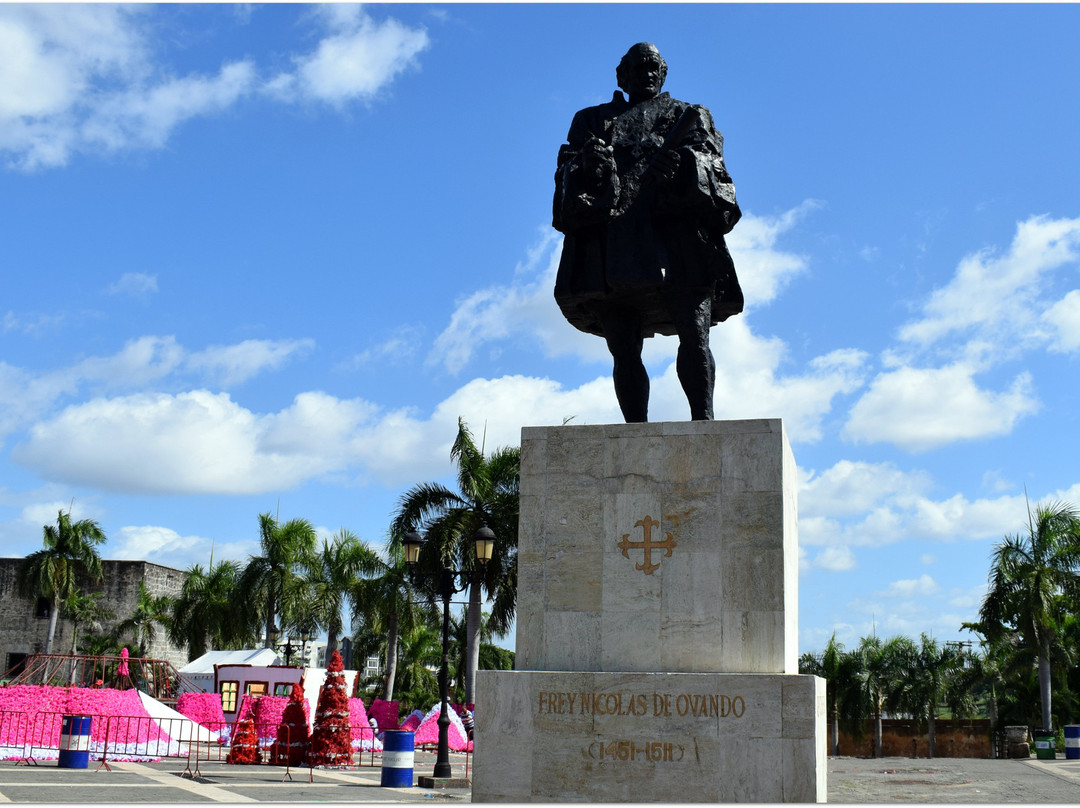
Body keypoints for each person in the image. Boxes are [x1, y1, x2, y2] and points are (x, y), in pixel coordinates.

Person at [553, 42, 743, 422]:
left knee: (695, 334)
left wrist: (684, 166)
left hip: (679, 245)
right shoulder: (591, 119)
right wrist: (592, 166)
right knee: (623, 347)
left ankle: (702, 419)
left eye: (653, 66)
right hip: (614, 248)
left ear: (664, 71)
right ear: (621, 76)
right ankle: (634, 429)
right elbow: (567, 172)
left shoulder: (687, 114)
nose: (646, 73)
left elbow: (715, 168)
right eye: (637, 67)